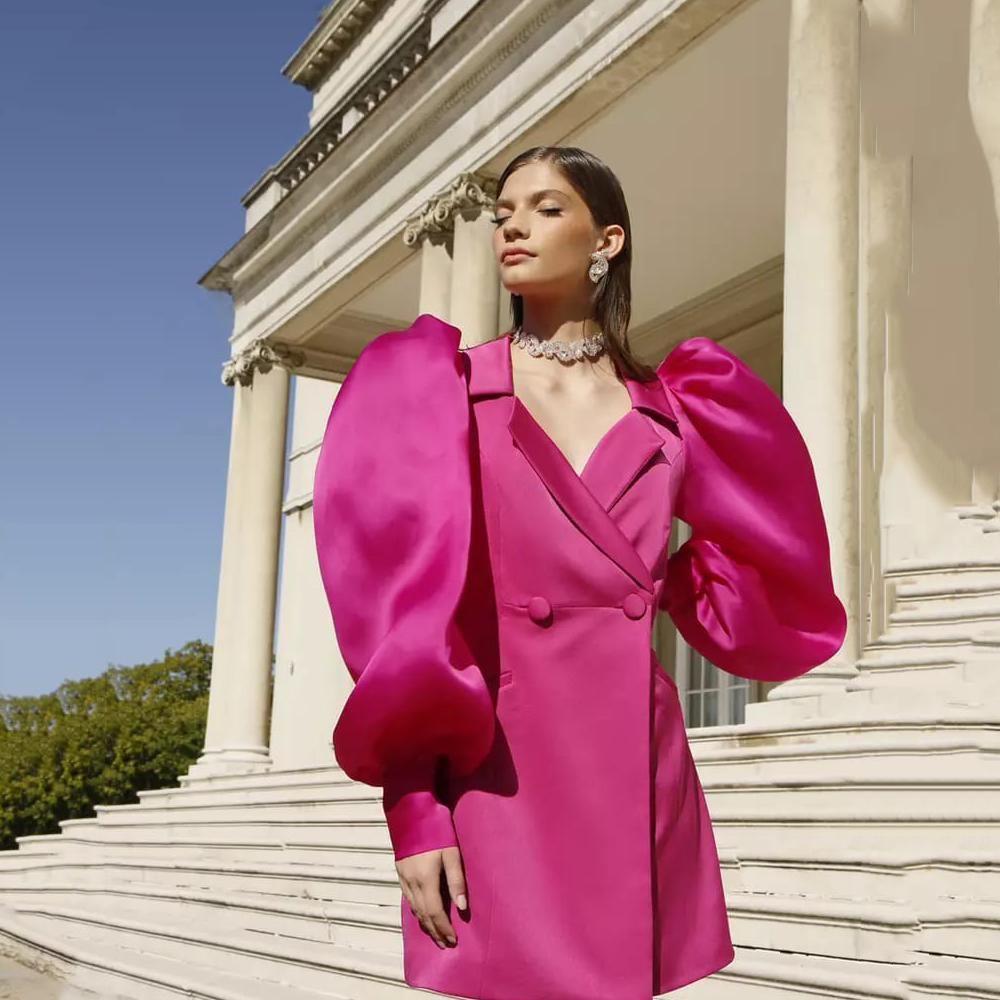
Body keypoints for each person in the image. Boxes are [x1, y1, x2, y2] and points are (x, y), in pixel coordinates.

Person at [312, 146, 847, 1000]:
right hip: (496, 773)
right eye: (503, 211)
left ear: (607, 239)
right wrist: (413, 809)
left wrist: (653, 588)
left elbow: (771, 562)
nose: (512, 224)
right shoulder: (432, 388)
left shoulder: (678, 406)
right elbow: (398, 624)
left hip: (636, 765)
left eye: (545, 206)